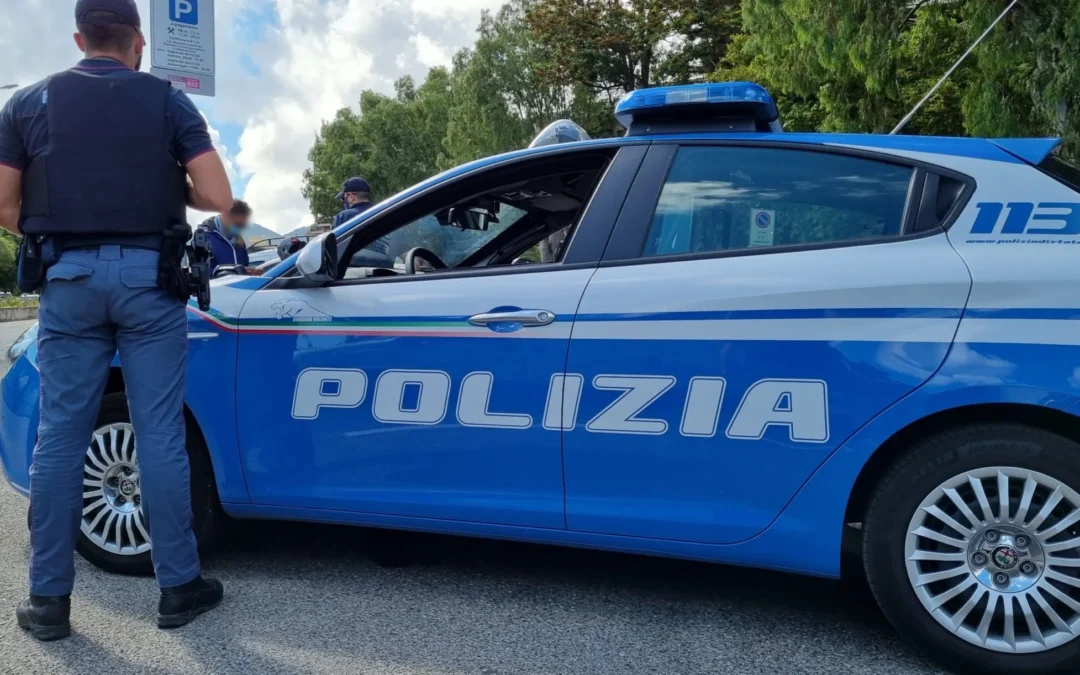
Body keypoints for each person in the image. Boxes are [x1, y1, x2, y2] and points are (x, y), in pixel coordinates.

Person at [0, 0, 232, 641]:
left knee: (59, 440)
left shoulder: (27, 105)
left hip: (66, 282)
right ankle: (179, 588)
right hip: (148, 280)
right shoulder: (167, 102)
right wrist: (167, 188)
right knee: (157, 435)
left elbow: (4, 205)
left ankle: (48, 604)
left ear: (80, 39)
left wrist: (64, 236)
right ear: (137, 44)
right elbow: (217, 196)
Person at [332, 176, 393, 261]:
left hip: (353, 272)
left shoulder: (343, 217)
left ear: (350, 197)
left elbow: (333, 251)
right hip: (384, 271)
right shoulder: (384, 215)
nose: (343, 202)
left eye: (343, 198)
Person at [198, 199, 262, 275]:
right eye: (237, 224)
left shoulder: (239, 241)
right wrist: (229, 273)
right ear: (225, 216)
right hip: (216, 286)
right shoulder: (203, 237)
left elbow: (244, 266)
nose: (239, 229)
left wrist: (248, 272)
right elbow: (199, 272)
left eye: (242, 225)